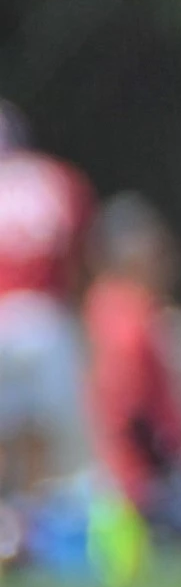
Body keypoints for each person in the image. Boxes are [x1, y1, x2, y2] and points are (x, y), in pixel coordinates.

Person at [83, 195, 181, 546]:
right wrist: (177, 466)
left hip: (157, 472)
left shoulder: (127, 306)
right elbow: (130, 411)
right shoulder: (124, 314)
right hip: (150, 483)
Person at [0, 101, 93, 499]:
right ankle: (35, 513)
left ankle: (11, 518)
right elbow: (80, 257)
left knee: (7, 430)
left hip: (4, 314)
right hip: (47, 314)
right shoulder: (57, 178)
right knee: (44, 430)